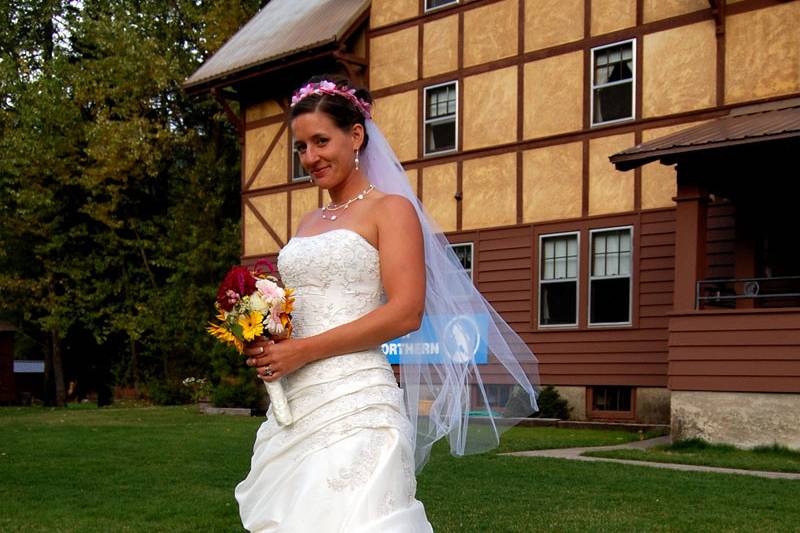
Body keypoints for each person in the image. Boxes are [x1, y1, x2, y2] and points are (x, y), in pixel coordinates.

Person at [235, 76, 540, 532]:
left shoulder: (391, 210)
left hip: (357, 398)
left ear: (355, 135)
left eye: (321, 141)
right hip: (298, 402)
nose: (311, 158)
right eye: (301, 147)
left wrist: (302, 351)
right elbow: (304, 305)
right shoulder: (307, 220)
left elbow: (406, 312)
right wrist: (265, 337)